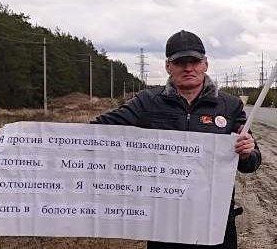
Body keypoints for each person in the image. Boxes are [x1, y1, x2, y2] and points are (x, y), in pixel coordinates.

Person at [92, 30, 261, 249]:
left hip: (215, 220)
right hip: (165, 222)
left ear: (205, 64)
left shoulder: (229, 106)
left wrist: (248, 152)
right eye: (180, 62)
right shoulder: (147, 102)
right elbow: (97, 131)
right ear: (168, 66)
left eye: (195, 61)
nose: (188, 68)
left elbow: (252, 163)